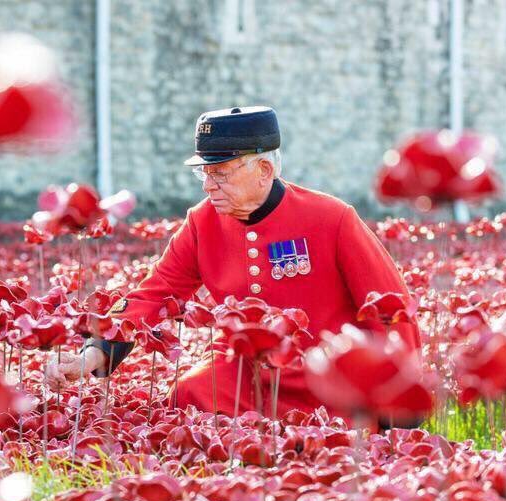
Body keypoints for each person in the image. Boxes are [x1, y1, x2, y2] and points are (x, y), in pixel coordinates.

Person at [47, 106, 422, 424]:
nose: (209, 185)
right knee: (190, 393)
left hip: (326, 376)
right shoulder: (201, 222)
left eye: (221, 173)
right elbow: (155, 294)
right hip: (244, 375)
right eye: (204, 173)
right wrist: (90, 356)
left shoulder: (331, 218)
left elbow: (390, 306)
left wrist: (399, 398)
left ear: (263, 169)